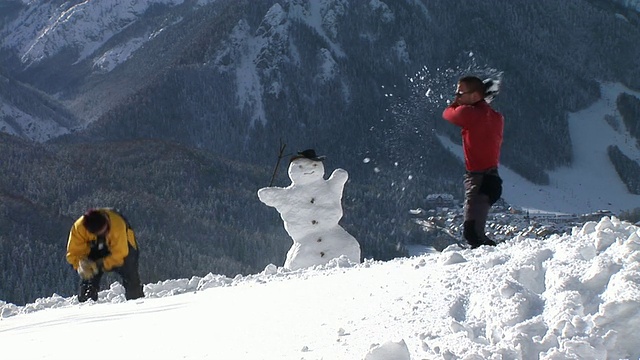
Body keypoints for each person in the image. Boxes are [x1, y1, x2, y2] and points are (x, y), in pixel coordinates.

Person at [442, 76, 504, 249]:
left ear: (476, 96)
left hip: (478, 180)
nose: (457, 96)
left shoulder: (469, 114)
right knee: (477, 234)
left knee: (472, 235)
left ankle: (495, 263)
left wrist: (455, 102)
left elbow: (448, 113)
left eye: (460, 92)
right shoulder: (497, 116)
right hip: (493, 180)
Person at [67, 208, 144, 302]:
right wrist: (81, 265)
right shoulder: (79, 228)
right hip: (94, 251)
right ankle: (86, 303)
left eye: (105, 231)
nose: (103, 234)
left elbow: (121, 253)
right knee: (88, 283)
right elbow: (74, 253)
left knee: (131, 278)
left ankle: (137, 303)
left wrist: (100, 264)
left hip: (124, 248)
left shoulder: (117, 224)